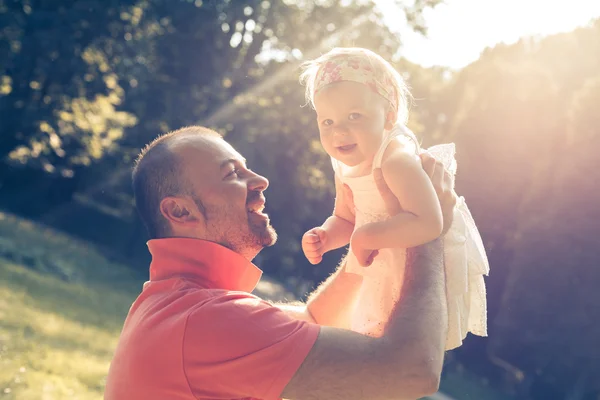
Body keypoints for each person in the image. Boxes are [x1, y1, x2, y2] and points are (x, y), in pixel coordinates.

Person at [104, 125, 455, 400]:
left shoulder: (178, 306)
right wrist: (425, 229)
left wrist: (373, 234)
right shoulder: (205, 320)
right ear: (180, 211)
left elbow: (313, 321)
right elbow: (412, 372)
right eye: (232, 174)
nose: (259, 180)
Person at [299, 47, 490, 347]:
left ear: (388, 117)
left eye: (354, 116)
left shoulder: (394, 158)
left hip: (407, 258)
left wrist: (365, 238)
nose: (340, 131)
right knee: (359, 340)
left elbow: (429, 221)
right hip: (378, 263)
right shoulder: (343, 163)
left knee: (390, 344)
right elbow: (346, 218)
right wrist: (325, 235)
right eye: (328, 122)